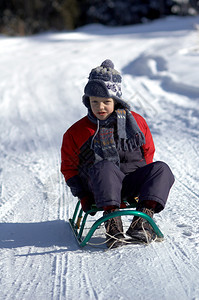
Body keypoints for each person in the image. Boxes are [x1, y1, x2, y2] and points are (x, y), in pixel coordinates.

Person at [61, 59, 175, 248]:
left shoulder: (136, 122)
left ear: (116, 101)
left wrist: (144, 186)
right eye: (94, 102)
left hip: (130, 181)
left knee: (161, 169)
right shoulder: (77, 131)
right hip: (98, 186)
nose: (100, 107)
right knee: (104, 166)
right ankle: (113, 224)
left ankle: (142, 221)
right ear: (87, 101)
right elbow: (69, 167)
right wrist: (83, 195)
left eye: (107, 101)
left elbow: (148, 154)